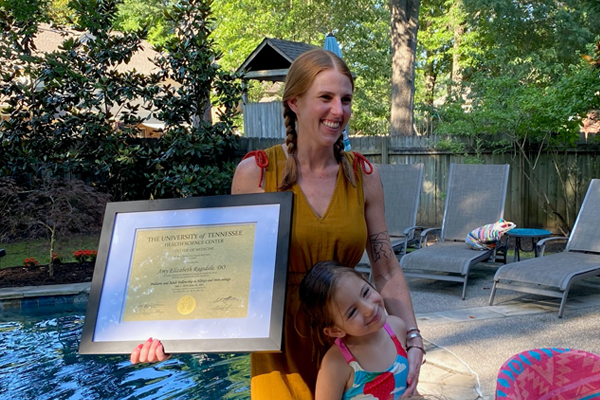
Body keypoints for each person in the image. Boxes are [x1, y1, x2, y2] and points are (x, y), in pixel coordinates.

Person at [130, 48, 424, 399]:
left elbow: (386, 268)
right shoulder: (255, 173)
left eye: (346, 99)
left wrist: (413, 338)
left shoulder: (362, 175)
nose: (338, 111)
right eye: (325, 98)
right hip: (279, 346)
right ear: (294, 103)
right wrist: (171, 332)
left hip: (354, 341)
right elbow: (224, 271)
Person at [300, 260, 415, 400]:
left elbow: (407, 386)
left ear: (366, 280)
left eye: (366, 292)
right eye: (352, 312)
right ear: (335, 330)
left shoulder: (397, 327)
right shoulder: (336, 364)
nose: (370, 309)